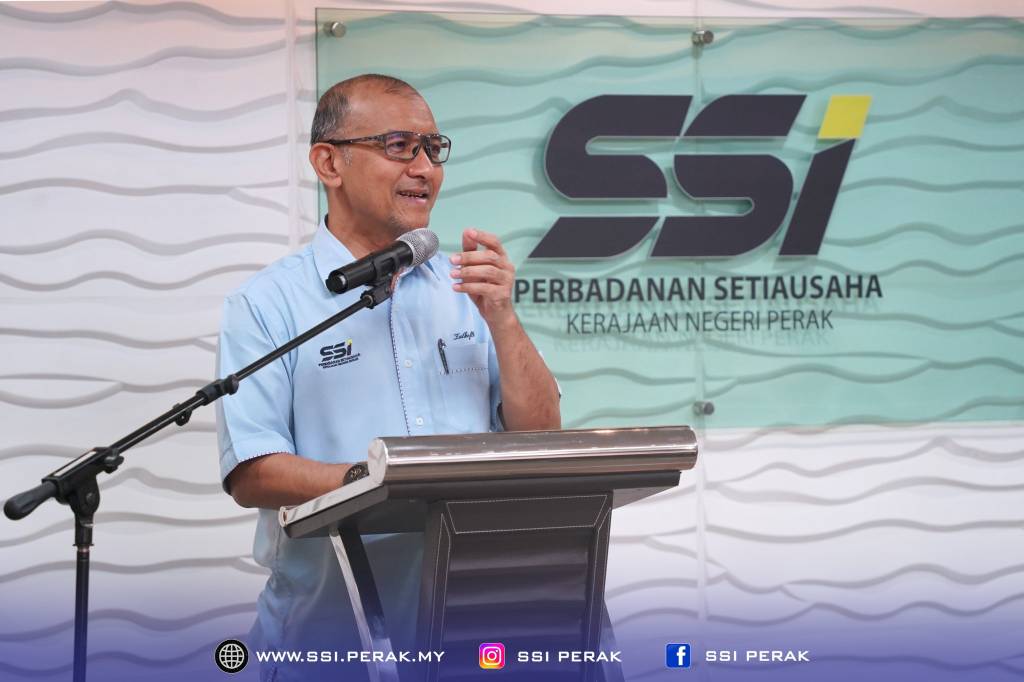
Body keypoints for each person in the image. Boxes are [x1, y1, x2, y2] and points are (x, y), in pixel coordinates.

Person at [215, 74, 560, 681]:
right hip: (327, 641)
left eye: (433, 148)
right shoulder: (268, 303)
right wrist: (378, 484)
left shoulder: (468, 290)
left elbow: (541, 434)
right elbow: (254, 469)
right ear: (329, 163)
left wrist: (503, 318)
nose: (424, 168)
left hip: (469, 633)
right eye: (399, 146)